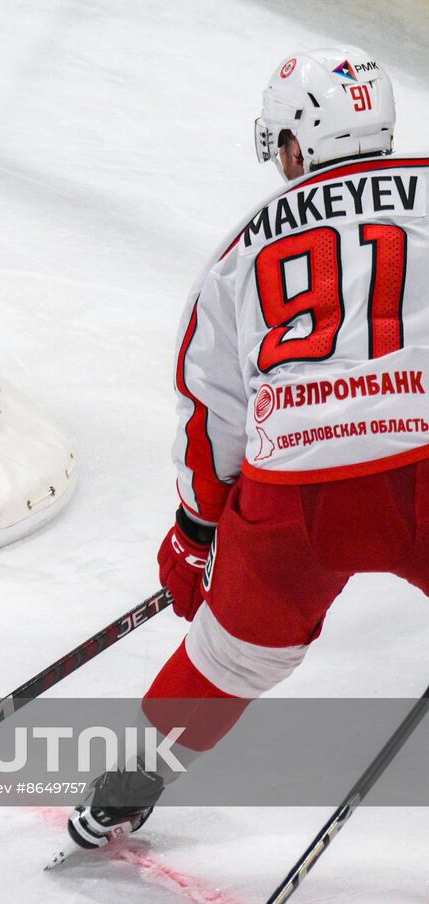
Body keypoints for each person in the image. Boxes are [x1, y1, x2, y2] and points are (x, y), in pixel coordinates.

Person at [65, 45, 421, 852]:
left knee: (230, 659)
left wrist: (197, 535)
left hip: (296, 488)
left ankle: (127, 788)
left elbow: (212, 414)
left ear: (299, 142)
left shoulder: (238, 249)